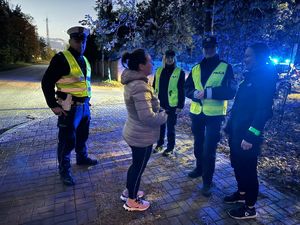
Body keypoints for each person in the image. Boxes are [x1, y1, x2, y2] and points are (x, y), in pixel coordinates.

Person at [224, 43, 277, 219]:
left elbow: (263, 111)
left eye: (248, 56)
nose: (244, 59)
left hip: (247, 136)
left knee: (248, 170)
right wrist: (230, 126)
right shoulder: (250, 76)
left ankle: (249, 207)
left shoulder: (265, 78)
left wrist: (250, 136)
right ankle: (241, 194)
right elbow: (240, 106)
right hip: (236, 132)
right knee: (237, 165)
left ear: (259, 58)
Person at [41, 26, 98, 186]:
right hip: (68, 108)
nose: (81, 44)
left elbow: (83, 83)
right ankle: (64, 170)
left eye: (83, 40)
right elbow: (46, 82)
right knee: (67, 141)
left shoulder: (84, 59)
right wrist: (52, 105)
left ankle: (81, 158)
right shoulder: (61, 58)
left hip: (84, 107)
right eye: (77, 40)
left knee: (82, 136)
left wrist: (86, 101)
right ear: (70, 41)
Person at [185, 36, 236, 197]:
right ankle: (199, 168)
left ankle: (207, 182)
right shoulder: (196, 68)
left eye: (211, 47)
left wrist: (208, 93)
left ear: (216, 48)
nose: (208, 50)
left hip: (215, 116)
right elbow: (187, 88)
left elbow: (231, 91)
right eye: (206, 47)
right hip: (197, 113)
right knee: (198, 145)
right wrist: (193, 93)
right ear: (203, 48)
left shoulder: (225, 67)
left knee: (209, 149)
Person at [120, 49, 167, 211]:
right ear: (141, 66)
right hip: (141, 136)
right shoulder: (139, 86)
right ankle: (132, 201)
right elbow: (147, 117)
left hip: (136, 132)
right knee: (138, 167)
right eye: (150, 61)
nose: (153, 64)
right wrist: (165, 115)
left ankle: (129, 192)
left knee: (136, 166)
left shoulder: (136, 82)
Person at [152, 50, 185, 156]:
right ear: (164, 58)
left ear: (174, 59)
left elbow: (181, 90)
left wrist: (180, 105)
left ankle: (170, 148)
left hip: (172, 105)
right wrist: (153, 100)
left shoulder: (179, 72)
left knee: (171, 128)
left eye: (172, 57)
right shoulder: (158, 71)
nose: (169, 59)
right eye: (167, 57)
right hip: (160, 104)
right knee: (160, 126)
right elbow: (154, 86)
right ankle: (159, 144)